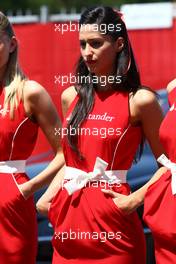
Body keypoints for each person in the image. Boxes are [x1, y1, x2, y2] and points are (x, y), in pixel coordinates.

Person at [37, 6, 164, 264]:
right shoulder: (70, 97)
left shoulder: (140, 100)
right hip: (68, 229)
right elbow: (70, 159)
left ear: (119, 44)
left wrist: (134, 201)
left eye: (95, 44)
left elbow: (171, 162)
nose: (87, 53)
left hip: (115, 234)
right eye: (82, 44)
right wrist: (46, 198)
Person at [0, 11, 64, 263]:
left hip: (10, 204)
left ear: (12, 44)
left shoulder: (31, 92)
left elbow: (65, 153)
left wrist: (28, 188)